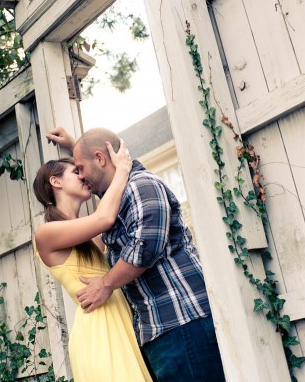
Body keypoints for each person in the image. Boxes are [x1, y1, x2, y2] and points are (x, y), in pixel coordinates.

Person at [46, 126, 226, 382]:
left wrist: (105, 284)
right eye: (76, 171)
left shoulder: (141, 186)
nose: (82, 176)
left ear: (100, 158)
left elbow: (145, 248)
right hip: (155, 330)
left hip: (182, 321)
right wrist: (77, 147)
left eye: (80, 168)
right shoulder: (112, 201)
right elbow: (103, 195)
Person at [34, 141, 152, 381]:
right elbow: (105, 216)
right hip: (99, 334)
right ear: (56, 182)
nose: (83, 176)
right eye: (76, 172)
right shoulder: (46, 234)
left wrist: (72, 145)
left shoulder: (93, 238)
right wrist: (122, 169)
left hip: (122, 326)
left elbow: (101, 175)